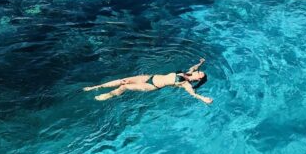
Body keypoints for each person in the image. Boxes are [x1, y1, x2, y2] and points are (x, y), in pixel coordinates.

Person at [84, 58, 212, 104]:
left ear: (198, 78)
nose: (198, 72)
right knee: (124, 80)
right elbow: (195, 67)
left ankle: (107, 96)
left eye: (200, 74)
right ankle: (96, 87)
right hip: (150, 77)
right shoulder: (188, 72)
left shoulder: (185, 83)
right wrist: (200, 63)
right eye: (200, 71)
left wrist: (203, 98)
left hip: (152, 85)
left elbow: (193, 94)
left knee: (125, 87)